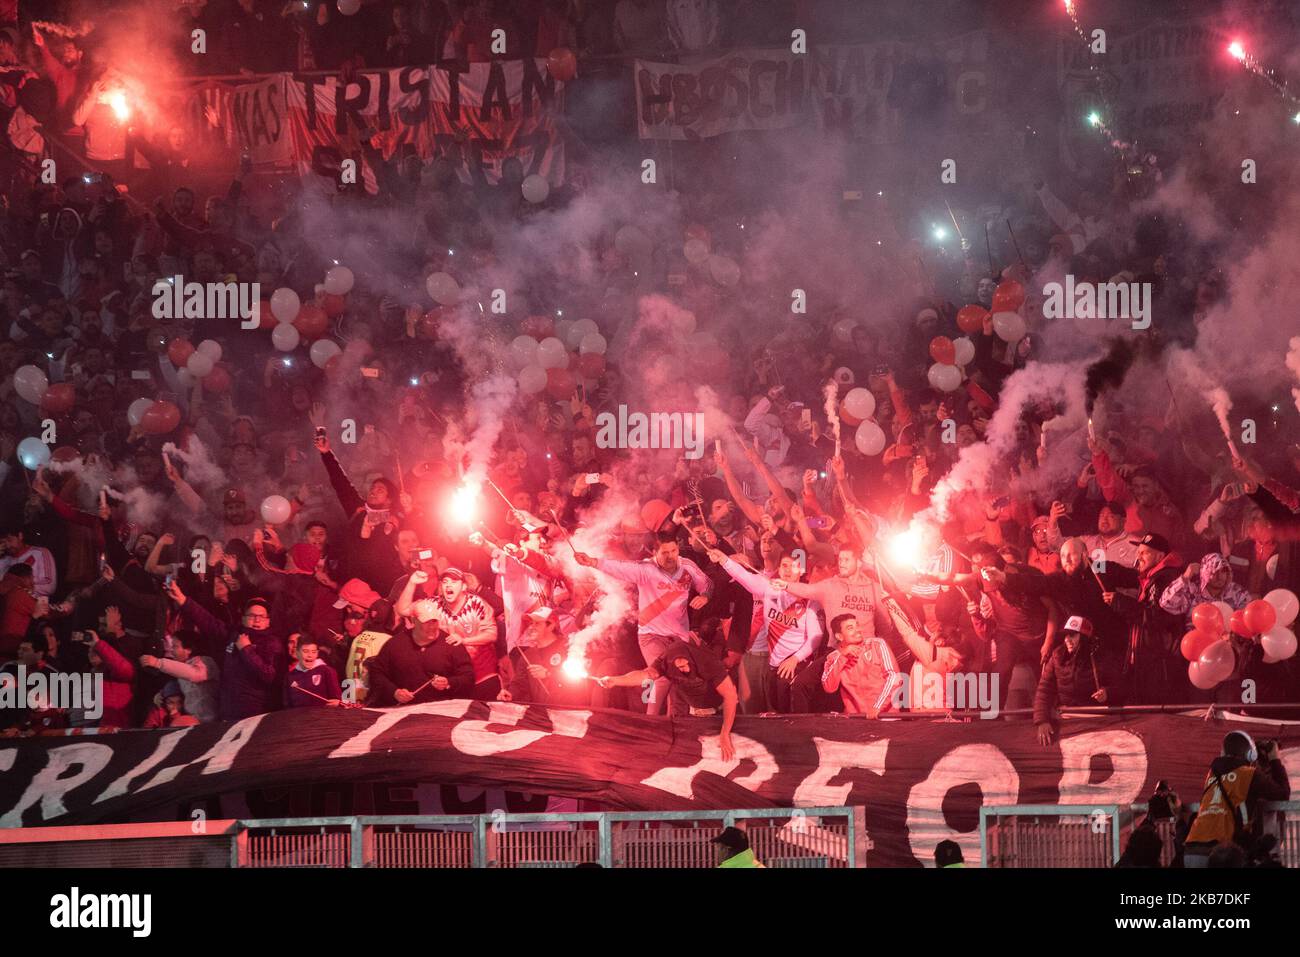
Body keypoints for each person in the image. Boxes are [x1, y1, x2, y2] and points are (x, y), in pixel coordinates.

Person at [574, 532, 711, 715]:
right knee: (660, 677)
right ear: (654, 553)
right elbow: (619, 567)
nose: (671, 557)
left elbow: (707, 585)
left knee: (675, 679)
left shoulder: (687, 566)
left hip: (678, 636)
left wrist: (705, 596)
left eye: (674, 550)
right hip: (650, 636)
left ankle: (676, 725)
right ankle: (651, 722)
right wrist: (593, 562)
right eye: (665, 553)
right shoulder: (645, 569)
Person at [710, 546, 823, 713]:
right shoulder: (768, 588)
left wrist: (795, 659)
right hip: (773, 665)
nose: (788, 570)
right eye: (785, 565)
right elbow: (743, 576)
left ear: (801, 570)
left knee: (789, 715)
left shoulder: (809, 597)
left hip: (797, 664)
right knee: (773, 711)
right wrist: (723, 559)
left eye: (794, 566)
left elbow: (816, 636)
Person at [598, 638, 738, 759]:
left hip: (718, 714)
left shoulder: (707, 661)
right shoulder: (665, 660)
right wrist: (615, 680)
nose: (685, 670)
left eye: (685, 665)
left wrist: (725, 733)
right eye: (679, 667)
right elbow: (645, 675)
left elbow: (730, 696)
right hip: (691, 713)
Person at [168, 580, 287, 721]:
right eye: (252, 615)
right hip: (228, 710)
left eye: (261, 616)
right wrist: (183, 600)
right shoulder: (233, 634)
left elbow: (268, 675)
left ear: (268, 621)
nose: (257, 619)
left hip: (255, 713)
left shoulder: (272, 643)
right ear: (243, 619)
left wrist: (246, 649)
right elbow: (207, 621)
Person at [1182, 731, 1291, 868]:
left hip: (1192, 849)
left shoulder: (1212, 775)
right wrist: (1274, 759)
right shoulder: (1248, 774)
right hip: (1222, 853)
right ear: (1250, 754)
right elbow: (1283, 793)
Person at [365, 600, 475, 707]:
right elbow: (376, 673)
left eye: (434, 621)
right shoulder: (395, 644)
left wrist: (449, 682)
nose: (432, 626)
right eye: (426, 622)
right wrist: (394, 692)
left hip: (440, 712)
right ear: (413, 620)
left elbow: (468, 677)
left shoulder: (451, 644)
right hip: (402, 711)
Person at [1033, 615, 1122, 745]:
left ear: (1085, 638)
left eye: (1072, 635)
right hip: (1067, 718)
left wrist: (1107, 693)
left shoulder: (1102, 656)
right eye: (1066, 635)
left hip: (1097, 720)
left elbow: (1121, 687)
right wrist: (1042, 721)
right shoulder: (1057, 656)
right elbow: (1044, 690)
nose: (1067, 639)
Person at [499, 607, 589, 707]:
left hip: (570, 712)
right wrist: (510, 694)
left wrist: (548, 674)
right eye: (531, 623)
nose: (531, 627)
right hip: (542, 716)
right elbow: (520, 684)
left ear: (551, 626)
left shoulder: (568, 646)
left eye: (537, 623)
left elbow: (582, 678)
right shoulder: (528, 655)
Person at [820, 614, 903, 717]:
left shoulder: (876, 644)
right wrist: (842, 657)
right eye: (850, 628)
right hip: (856, 720)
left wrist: (877, 707)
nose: (858, 630)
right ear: (839, 636)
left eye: (857, 625)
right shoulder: (834, 657)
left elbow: (894, 677)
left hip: (886, 717)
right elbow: (829, 687)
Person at [137, 629, 220, 723]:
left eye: (175, 646)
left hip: (212, 723)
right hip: (193, 722)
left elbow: (195, 674)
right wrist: (163, 694)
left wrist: (159, 663)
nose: (171, 651)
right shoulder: (182, 667)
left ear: (188, 649)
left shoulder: (206, 662)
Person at [284, 634, 342, 708]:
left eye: (313, 652)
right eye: (305, 651)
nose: (309, 655)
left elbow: (336, 700)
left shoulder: (327, 671)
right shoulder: (289, 676)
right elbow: (287, 706)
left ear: (317, 653)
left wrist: (337, 702)